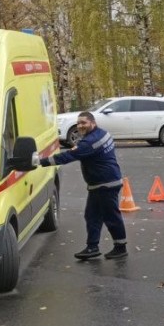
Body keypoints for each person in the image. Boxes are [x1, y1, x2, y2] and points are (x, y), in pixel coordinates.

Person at [36, 111, 128, 260]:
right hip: (101, 183)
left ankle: (120, 247)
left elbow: (67, 157)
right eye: (78, 123)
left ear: (93, 123)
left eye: (84, 123)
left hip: (105, 184)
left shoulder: (89, 142)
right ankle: (92, 247)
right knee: (92, 215)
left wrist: (40, 162)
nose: (80, 126)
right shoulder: (103, 134)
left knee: (111, 217)